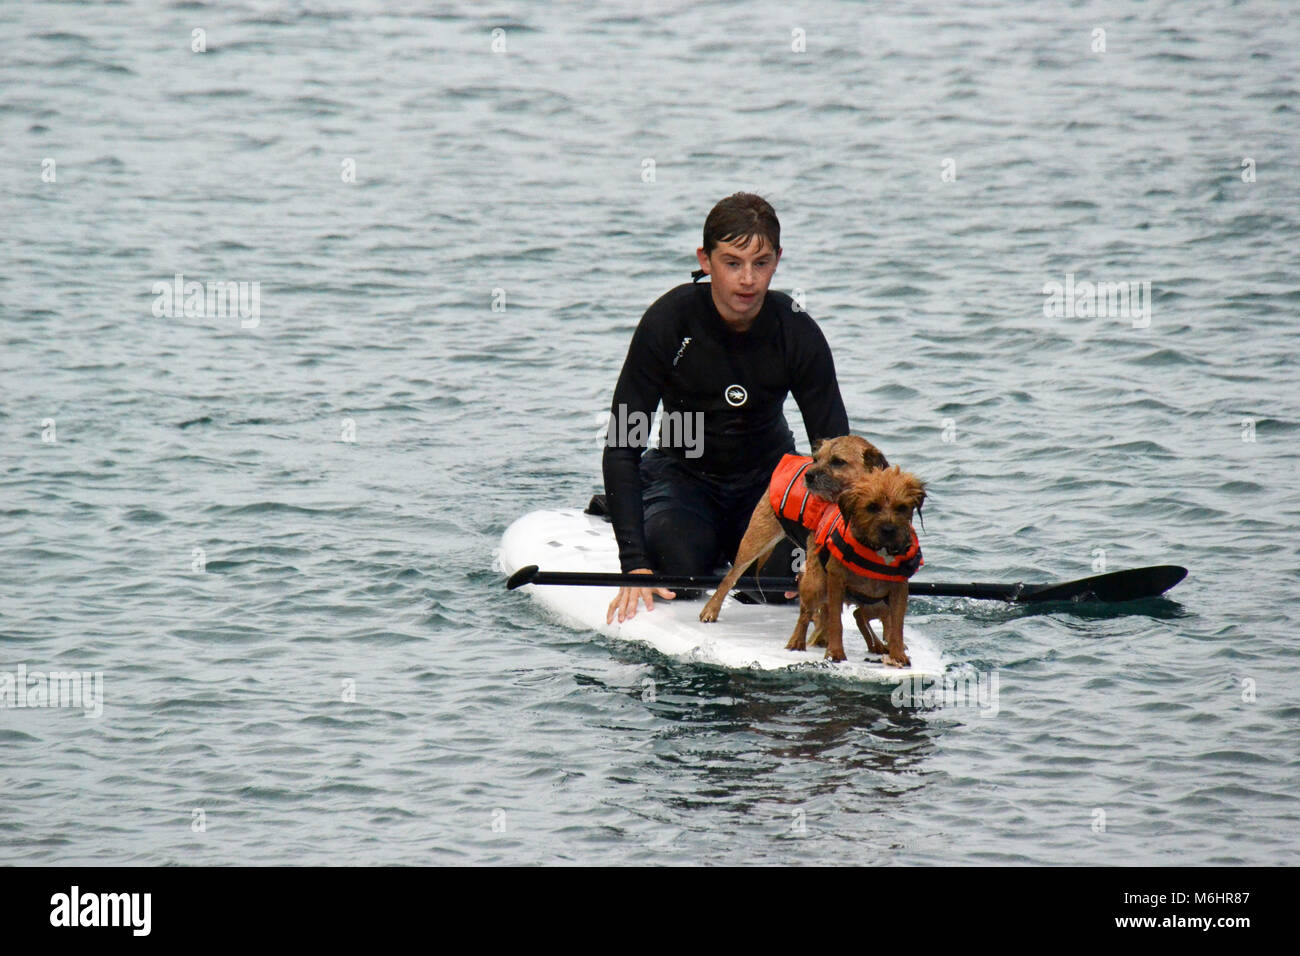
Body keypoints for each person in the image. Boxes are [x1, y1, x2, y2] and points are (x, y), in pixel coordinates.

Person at [602, 193, 850, 624]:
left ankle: (744, 552)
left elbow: (836, 454)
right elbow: (623, 446)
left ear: (778, 260)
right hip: (684, 477)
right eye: (732, 262)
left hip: (766, 486)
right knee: (678, 569)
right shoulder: (669, 321)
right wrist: (634, 564)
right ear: (705, 259)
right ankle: (657, 522)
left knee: (778, 585)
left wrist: (827, 553)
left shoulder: (795, 330)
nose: (748, 280)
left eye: (762, 263)